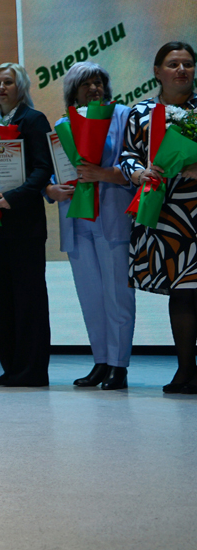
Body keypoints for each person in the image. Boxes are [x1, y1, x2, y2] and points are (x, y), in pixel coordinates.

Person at [46, 63, 135, 390]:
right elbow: (59, 171)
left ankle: (118, 365)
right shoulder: (63, 124)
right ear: (74, 91)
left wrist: (105, 174)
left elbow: (133, 164)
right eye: (86, 84)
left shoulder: (122, 116)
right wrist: (51, 189)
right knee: (91, 297)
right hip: (77, 218)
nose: (94, 88)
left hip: (112, 216)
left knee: (117, 295)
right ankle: (101, 360)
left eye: (98, 82)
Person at [119, 41, 197, 394]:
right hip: (166, 210)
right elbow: (127, 155)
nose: (181, 70)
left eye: (188, 64)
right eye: (173, 64)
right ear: (156, 71)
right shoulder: (141, 112)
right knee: (181, 290)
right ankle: (185, 370)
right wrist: (138, 173)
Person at [0, 63, 54, 387]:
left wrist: (13, 197)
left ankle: (32, 371)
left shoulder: (33, 120)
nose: (2, 88)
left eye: (8, 82)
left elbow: (43, 168)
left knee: (29, 299)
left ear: (21, 87)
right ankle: (10, 368)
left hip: (24, 222)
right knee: (3, 299)